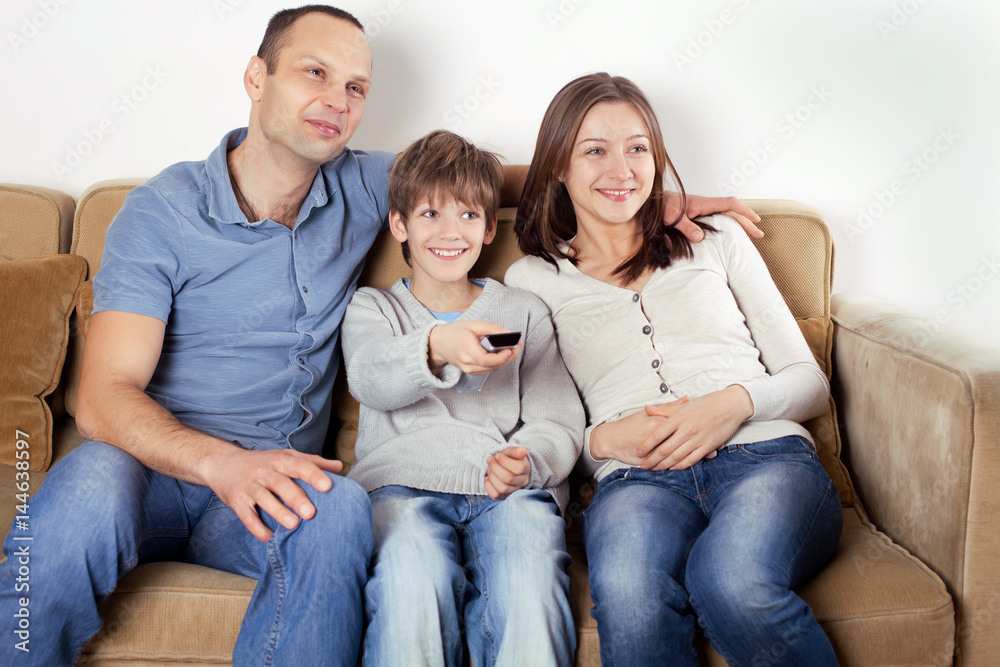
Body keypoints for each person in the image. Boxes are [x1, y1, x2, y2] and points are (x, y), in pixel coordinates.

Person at [0, 3, 760, 664]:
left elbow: (488, 180)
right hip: (155, 466)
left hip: (277, 480)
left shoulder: (364, 184)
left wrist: (652, 198)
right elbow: (103, 399)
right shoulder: (162, 211)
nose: (336, 100)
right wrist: (222, 464)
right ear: (256, 78)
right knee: (80, 495)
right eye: (313, 74)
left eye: (355, 87)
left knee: (336, 510)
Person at [506, 72, 844, 666]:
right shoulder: (532, 281)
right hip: (635, 481)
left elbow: (810, 381)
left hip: (767, 458)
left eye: (638, 148)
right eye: (595, 150)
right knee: (632, 600)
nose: (622, 169)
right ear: (559, 165)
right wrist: (600, 440)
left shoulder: (717, 241)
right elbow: (542, 424)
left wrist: (730, 404)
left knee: (731, 580)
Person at [340, 129, 583, 666]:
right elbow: (371, 377)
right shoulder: (373, 309)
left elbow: (558, 419)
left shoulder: (523, 310)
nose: (451, 232)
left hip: (506, 494)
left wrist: (530, 462)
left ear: (490, 228)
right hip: (399, 490)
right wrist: (436, 346)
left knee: (531, 575)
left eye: (469, 216)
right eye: (431, 215)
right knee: (411, 574)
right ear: (399, 224)